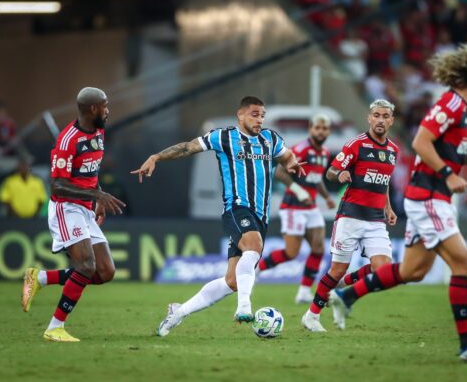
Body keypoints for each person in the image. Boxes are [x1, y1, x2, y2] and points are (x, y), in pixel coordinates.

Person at [329, 44, 467, 361]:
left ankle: (347, 295)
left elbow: (442, 148)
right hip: (429, 197)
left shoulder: (458, 106)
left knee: (413, 271)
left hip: (430, 197)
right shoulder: (451, 103)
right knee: (464, 264)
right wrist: (449, 175)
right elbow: (421, 141)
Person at [131, 96, 304, 336]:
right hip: (236, 208)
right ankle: (244, 307)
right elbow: (188, 147)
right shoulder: (223, 137)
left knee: (232, 281)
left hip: (261, 215)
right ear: (240, 115)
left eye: (262, 115)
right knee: (253, 247)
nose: (260, 120)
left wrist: (293, 164)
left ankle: (178, 312)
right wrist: (156, 157)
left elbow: (286, 157)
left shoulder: (271, 139)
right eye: (254, 114)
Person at [21, 87, 126, 342]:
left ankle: (41, 277)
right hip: (65, 208)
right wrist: (97, 196)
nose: (108, 110)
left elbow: (90, 171)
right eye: (105, 105)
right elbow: (56, 185)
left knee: (105, 272)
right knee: (86, 266)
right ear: (93, 109)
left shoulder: (99, 132)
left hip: (85, 207)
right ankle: (54, 327)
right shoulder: (67, 141)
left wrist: (97, 195)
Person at [301, 99, 399, 332]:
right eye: (376, 115)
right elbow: (331, 171)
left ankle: (339, 291)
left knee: (383, 270)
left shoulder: (393, 150)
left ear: (391, 120)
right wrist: (341, 174)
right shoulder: (356, 144)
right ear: (369, 117)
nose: (380, 120)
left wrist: (388, 207)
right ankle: (311, 315)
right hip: (350, 217)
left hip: (376, 219)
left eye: (385, 116)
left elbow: (383, 182)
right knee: (337, 270)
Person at [257, 114, 335, 304]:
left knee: (318, 249)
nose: (320, 131)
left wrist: (326, 197)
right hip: (293, 207)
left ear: (328, 131)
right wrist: (299, 192)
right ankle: (254, 270)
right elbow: (280, 172)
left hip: (312, 208)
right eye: (317, 128)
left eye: (324, 128)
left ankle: (303, 292)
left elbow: (316, 179)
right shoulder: (301, 149)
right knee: (291, 253)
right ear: (310, 129)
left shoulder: (324, 153)